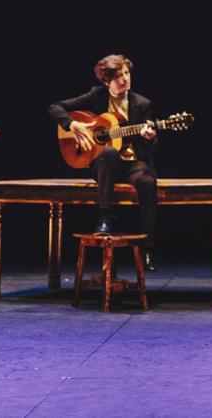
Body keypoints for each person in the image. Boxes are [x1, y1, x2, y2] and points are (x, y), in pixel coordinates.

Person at [49, 54, 158, 272]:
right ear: (106, 81)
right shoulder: (97, 96)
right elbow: (55, 107)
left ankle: (147, 248)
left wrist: (150, 137)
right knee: (108, 153)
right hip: (106, 165)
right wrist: (72, 125)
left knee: (147, 182)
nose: (125, 79)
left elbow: (147, 149)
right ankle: (105, 219)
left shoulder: (142, 104)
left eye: (127, 73)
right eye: (118, 76)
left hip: (133, 163)